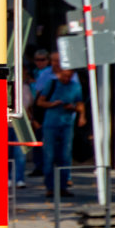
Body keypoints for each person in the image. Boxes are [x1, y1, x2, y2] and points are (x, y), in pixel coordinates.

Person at [36, 67, 86, 198]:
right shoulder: (51, 83)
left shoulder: (75, 87)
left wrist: (77, 111)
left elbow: (80, 103)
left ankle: (63, 186)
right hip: (50, 124)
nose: (66, 79)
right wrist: (52, 104)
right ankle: (50, 187)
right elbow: (40, 102)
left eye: (69, 76)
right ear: (59, 74)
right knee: (49, 156)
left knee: (65, 156)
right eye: (64, 76)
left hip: (67, 124)